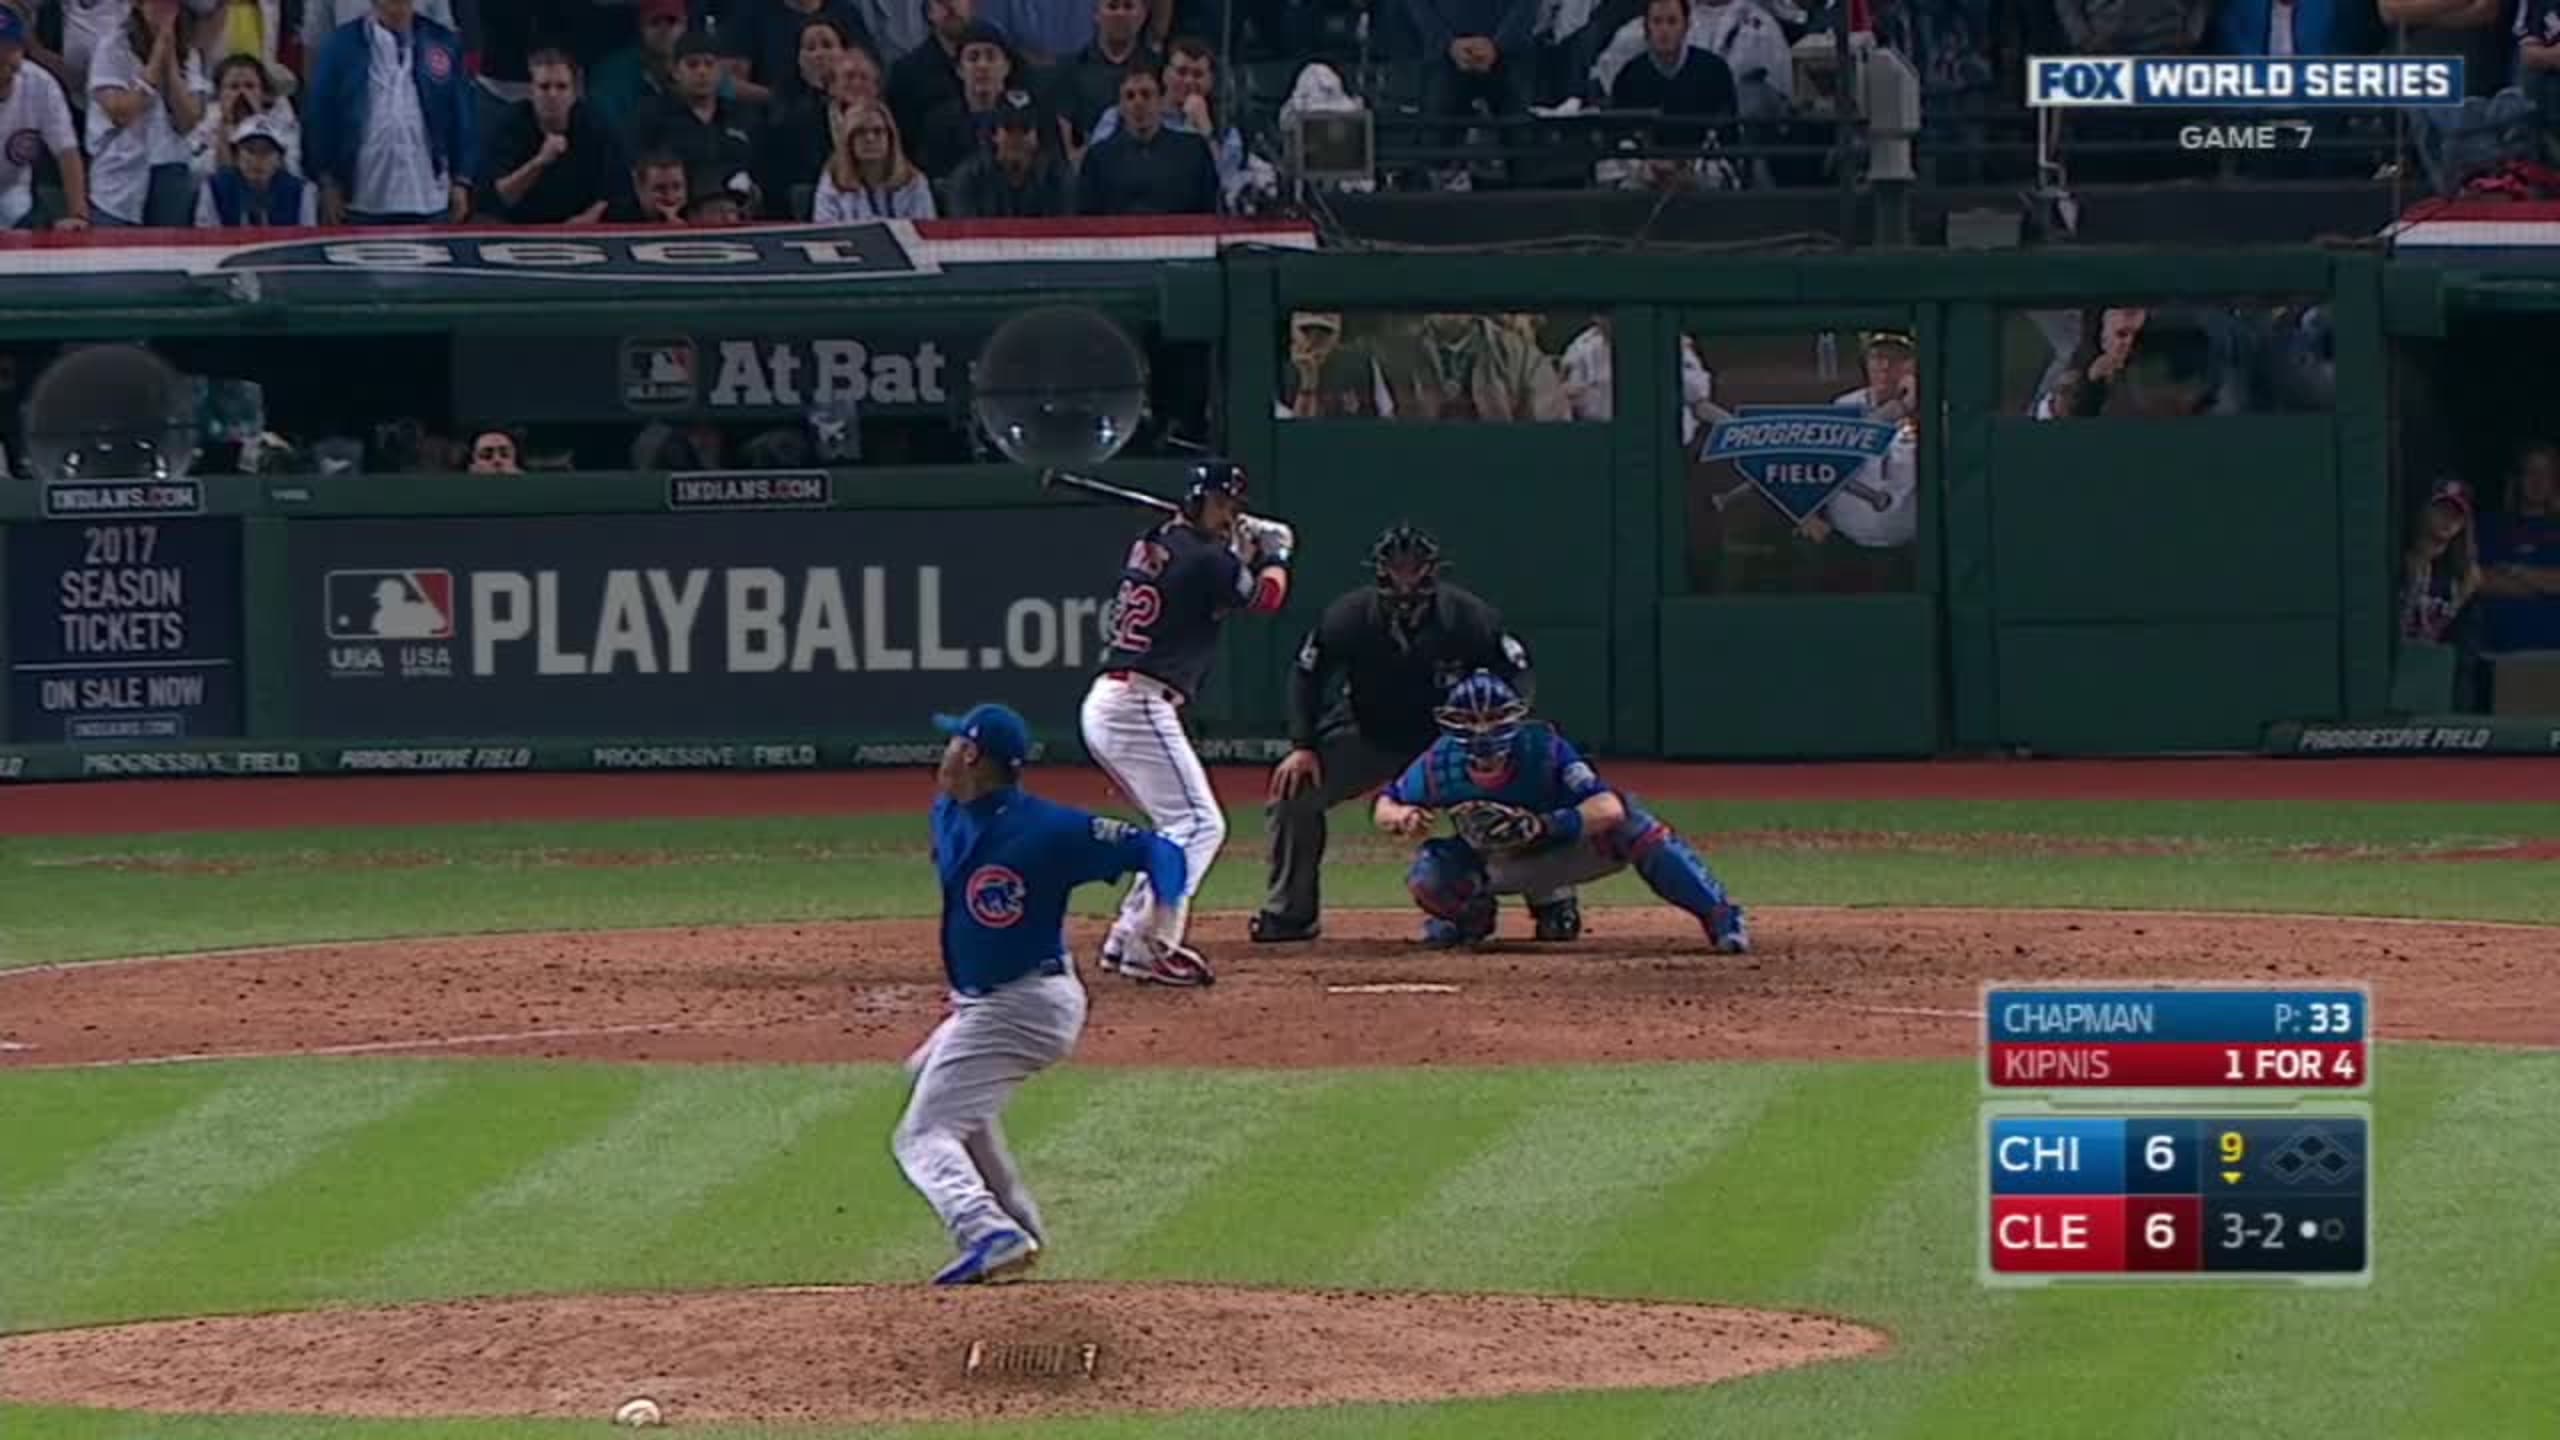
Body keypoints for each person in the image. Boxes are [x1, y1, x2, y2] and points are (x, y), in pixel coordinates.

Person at [897, 702, 1187, 1285]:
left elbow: (1162, 851)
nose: (943, 753)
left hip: (1026, 1004)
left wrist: (1164, 918)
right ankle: (1014, 1221)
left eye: (953, 743)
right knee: (931, 1076)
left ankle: (986, 1229)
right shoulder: (949, 811)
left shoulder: (1049, 829)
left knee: (923, 1134)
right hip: (986, 1003)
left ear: (971, 754)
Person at [1252, 524, 1540, 943]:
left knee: (1520, 789)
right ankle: (1291, 914)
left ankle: (1551, 900)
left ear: (1432, 571)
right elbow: (1306, 676)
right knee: (1292, 791)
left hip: (1449, 741)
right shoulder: (1350, 615)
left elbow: (1517, 670)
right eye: (1397, 567)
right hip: (1369, 732)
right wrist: (1303, 745)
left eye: (1414, 567)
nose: (1406, 579)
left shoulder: (1466, 615)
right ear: (1381, 571)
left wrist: (1501, 729)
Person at [1079, 461, 1294, 987]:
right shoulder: (1204, 558)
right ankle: (1151, 944)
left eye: (1233, 506)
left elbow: (1210, 571)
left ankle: (1130, 935)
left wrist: (1234, 547)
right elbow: (1266, 599)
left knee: (1180, 824)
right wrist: (1275, 554)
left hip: (1121, 700)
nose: (1229, 514)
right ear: (1197, 501)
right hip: (1137, 702)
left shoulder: (1162, 541)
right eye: (1222, 504)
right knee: (1199, 825)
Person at [1373, 671, 1749, 953]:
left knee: (1636, 825)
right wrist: (1402, 817)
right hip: (1496, 862)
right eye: (1471, 720)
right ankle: (1470, 918)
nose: (1483, 730)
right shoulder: (1440, 763)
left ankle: (1720, 916)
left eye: (1493, 717)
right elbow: (1386, 803)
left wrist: (1544, 825)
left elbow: (1608, 807)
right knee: (1429, 874)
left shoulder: (1543, 750)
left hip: (1563, 848)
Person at [304, 0, 477, 225]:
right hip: (362, 195)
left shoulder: (443, 42)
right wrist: (328, 181)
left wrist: (461, 180)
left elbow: (462, 117)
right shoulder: (340, 45)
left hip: (429, 193)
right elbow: (321, 117)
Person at [84, 0, 205, 227]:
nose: (165, 8)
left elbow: (188, 120)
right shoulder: (112, 47)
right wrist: (157, 58)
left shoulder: (190, 54)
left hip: (171, 170)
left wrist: (170, 60)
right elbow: (121, 112)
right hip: (119, 177)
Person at [480, 49, 627, 224]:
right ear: (532, 91)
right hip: (520, 225)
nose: (552, 95)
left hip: (579, 226)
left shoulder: (595, 125)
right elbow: (500, 197)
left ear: (574, 93)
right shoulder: (510, 124)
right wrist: (539, 162)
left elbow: (614, 189)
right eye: (544, 87)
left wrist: (586, 220)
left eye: (561, 87)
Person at [1073, 64, 1217, 215]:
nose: (1138, 103)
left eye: (1146, 94)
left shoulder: (1193, 151)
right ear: (1120, 107)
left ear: (1160, 102)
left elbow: (1209, 211)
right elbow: (1086, 218)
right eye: (1130, 96)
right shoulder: (1098, 158)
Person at [0, 8, 91, 230]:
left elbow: (67, 151)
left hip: (14, 198)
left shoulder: (41, 83)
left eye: (9, 48)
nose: (4, 58)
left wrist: (79, 216)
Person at [940, 86, 1070, 216]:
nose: (1016, 138)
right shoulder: (969, 178)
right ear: (995, 134)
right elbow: (964, 225)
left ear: (1037, 136)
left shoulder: (1056, 178)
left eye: (1024, 129)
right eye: (1009, 128)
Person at [813, 96, 934, 217]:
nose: (870, 138)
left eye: (878, 131)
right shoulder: (833, 183)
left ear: (890, 138)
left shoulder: (913, 182)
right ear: (848, 141)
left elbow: (925, 226)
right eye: (860, 132)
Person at [187, 53, 298, 180]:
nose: (242, 93)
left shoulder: (282, 123)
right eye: (233, 87)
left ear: (262, 93)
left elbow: (292, 171)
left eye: (249, 86)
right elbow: (198, 172)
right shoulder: (206, 125)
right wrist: (224, 130)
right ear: (219, 94)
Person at [193, 109, 314, 224]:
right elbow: (205, 233)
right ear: (236, 155)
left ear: (280, 158)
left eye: (266, 151)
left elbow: (308, 235)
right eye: (250, 150)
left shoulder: (301, 192)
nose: (258, 159)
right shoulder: (214, 188)